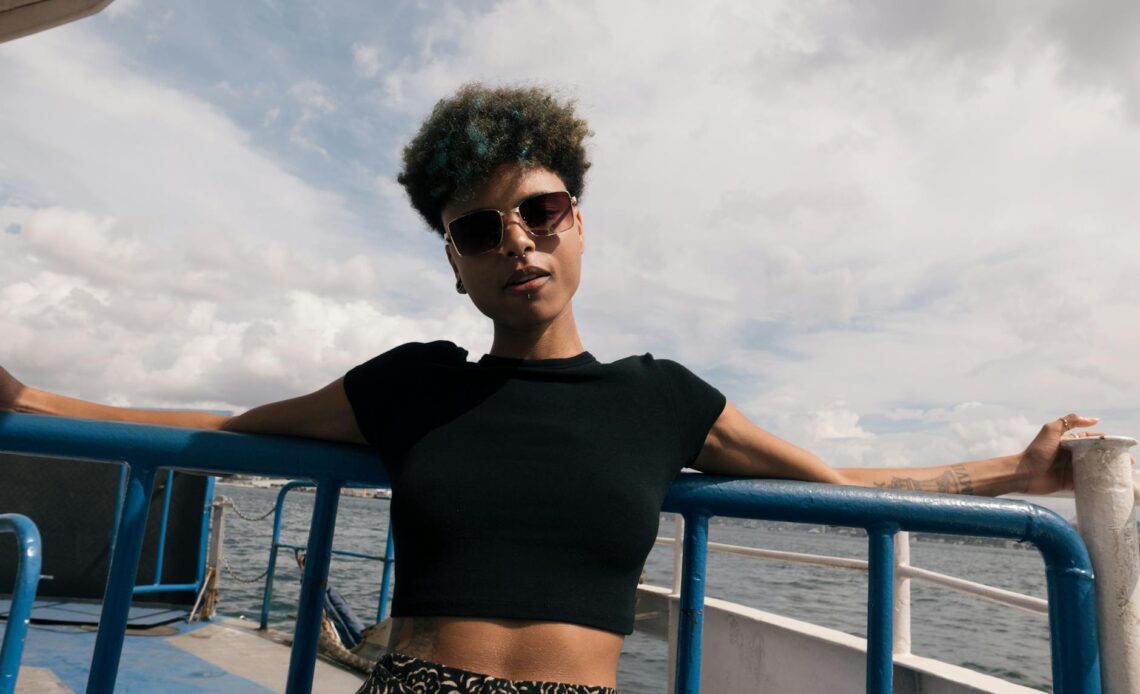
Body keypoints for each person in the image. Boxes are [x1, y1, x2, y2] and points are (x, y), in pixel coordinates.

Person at [0, 84, 1104, 694]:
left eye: (542, 211)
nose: (516, 241)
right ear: (455, 259)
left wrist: (1018, 472)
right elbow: (227, 428)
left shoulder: (661, 397)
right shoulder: (413, 386)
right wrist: (40, 403)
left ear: (580, 223)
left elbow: (839, 484)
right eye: (480, 228)